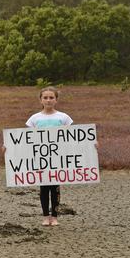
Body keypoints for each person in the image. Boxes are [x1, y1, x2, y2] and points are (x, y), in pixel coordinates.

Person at [26, 87, 73, 226]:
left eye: (51, 97)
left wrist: (91, 145)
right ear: (40, 100)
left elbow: (74, 138)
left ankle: (55, 217)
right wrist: (9, 148)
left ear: (56, 100)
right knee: (44, 188)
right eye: (45, 97)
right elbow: (26, 139)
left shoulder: (64, 117)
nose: (48, 100)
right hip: (41, 159)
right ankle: (46, 217)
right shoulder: (34, 119)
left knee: (55, 188)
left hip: (58, 158)